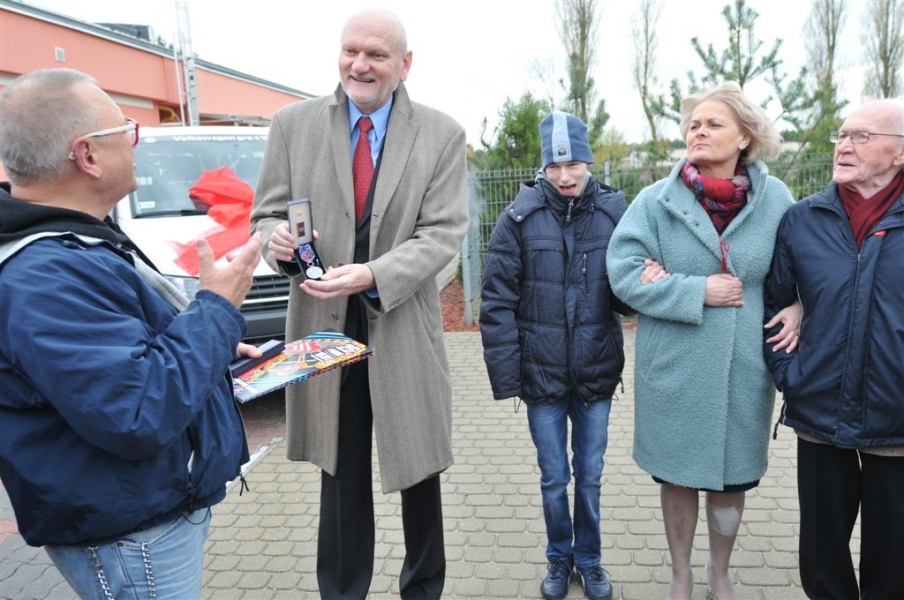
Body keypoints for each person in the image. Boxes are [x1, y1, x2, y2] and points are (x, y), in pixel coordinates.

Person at [0, 68, 262, 599]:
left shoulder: (69, 241)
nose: (134, 141)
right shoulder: (43, 276)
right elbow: (138, 410)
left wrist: (209, 341)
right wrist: (216, 309)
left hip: (143, 512)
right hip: (131, 534)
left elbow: (123, 352)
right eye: (126, 130)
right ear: (88, 155)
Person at [249, 9, 468, 600]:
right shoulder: (292, 125)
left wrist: (374, 274)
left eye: (376, 54)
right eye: (351, 51)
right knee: (340, 473)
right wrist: (276, 242)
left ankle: (423, 588)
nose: (360, 65)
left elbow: (443, 234)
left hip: (401, 324)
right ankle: (342, 591)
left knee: (419, 468)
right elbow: (265, 215)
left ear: (405, 64)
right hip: (323, 327)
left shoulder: (442, 134)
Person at [606, 82, 800, 600]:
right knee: (676, 475)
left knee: (732, 480)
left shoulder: (777, 200)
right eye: (693, 125)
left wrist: (801, 304)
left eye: (714, 123)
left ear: (745, 137)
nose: (699, 131)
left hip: (743, 369)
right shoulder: (656, 201)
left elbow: (809, 262)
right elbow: (623, 273)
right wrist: (695, 291)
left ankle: (719, 571)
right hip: (675, 367)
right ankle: (680, 574)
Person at [480, 112, 630, 600]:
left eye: (574, 165)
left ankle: (589, 559)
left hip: (595, 372)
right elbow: (497, 303)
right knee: (553, 477)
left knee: (590, 476)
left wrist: (643, 283)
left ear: (589, 161)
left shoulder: (615, 215)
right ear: (543, 167)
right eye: (555, 167)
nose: (565, 176)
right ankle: (558, 557)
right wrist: (509, 378)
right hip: (540, 375)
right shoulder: (517, 220)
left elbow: (627, 296)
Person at [763, 99, 904, 600]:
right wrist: (791, 374)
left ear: (900, 153)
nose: (844, 145)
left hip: (897, 417)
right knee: (822, 557)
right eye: (841, 135)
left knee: (895, 558)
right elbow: (774, 303)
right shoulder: (802, 219)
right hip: (820, 406)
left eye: (862, 136)